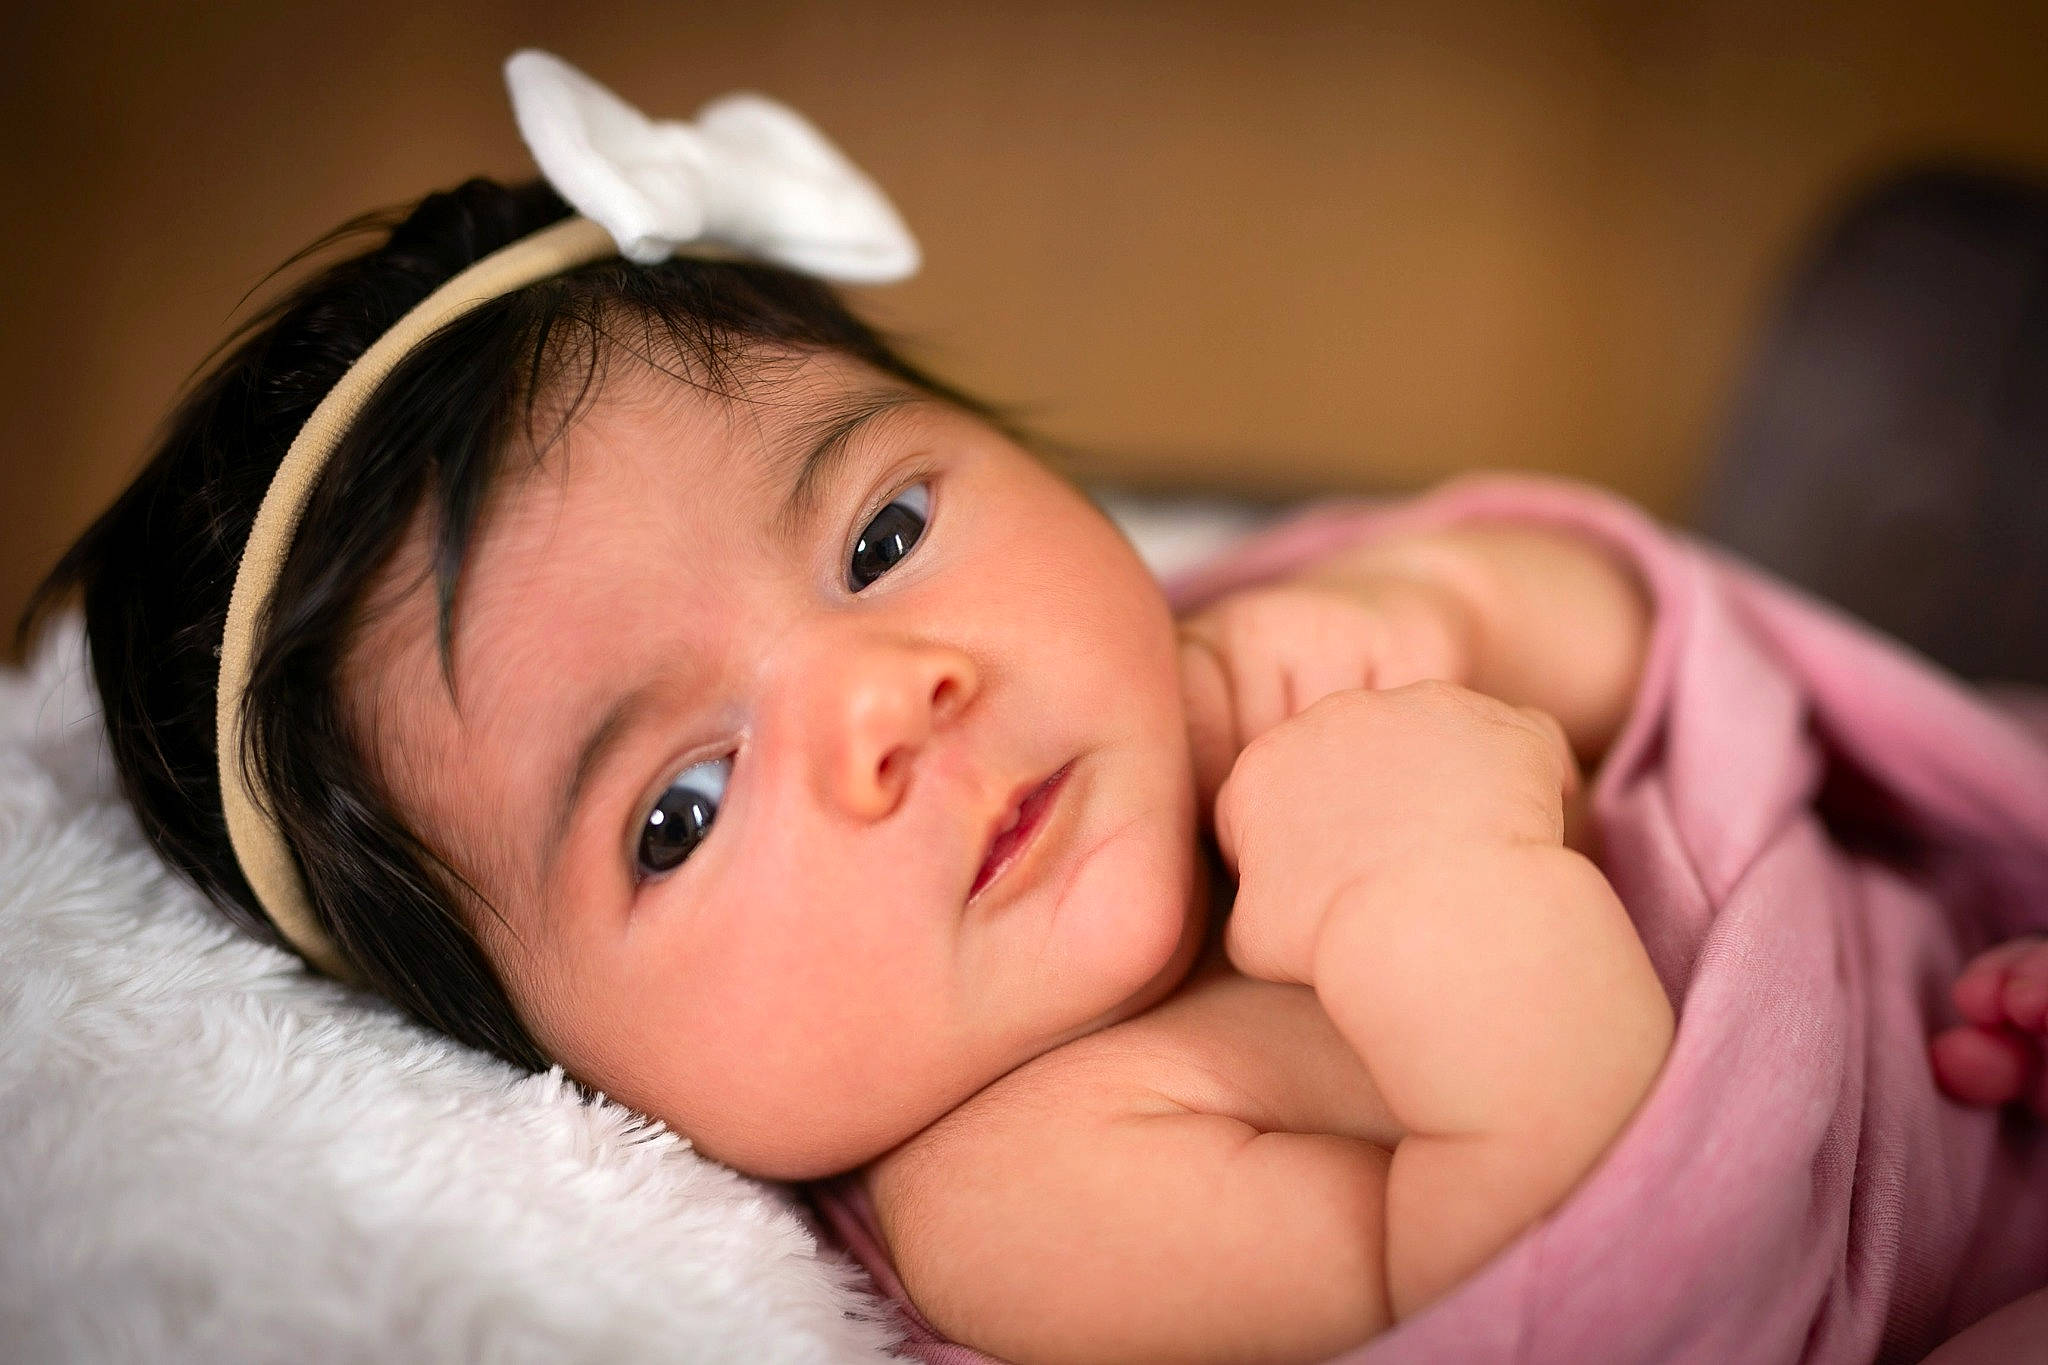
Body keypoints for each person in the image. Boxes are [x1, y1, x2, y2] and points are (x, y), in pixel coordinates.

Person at [24, 54, 2045, 1365]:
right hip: (1923, 1259)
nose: (896, 702)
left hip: (1946, 944)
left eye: (885, 530)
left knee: (1888, 437)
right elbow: (1609, 1275)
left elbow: (1637, 623)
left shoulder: (1221, 637)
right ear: (579, 1074)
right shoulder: (1030, 1187)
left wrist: (1443, 595)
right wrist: (1450, 866)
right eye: (682, 805)